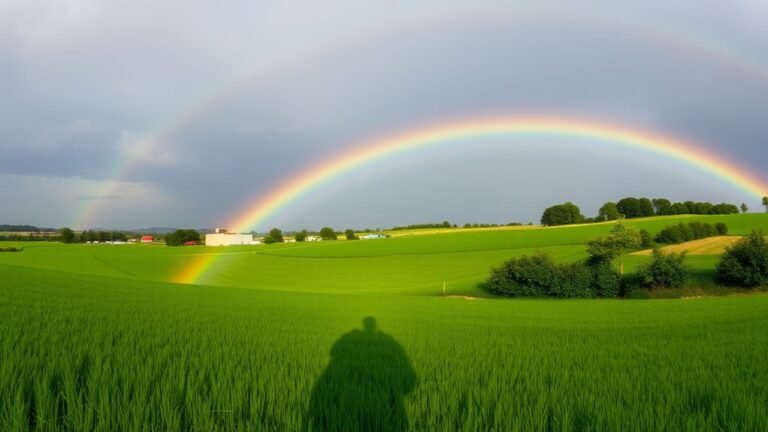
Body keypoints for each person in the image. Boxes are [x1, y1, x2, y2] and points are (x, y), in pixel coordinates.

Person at [306, 317, 417, 431]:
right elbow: (410, 380)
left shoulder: (340, 359)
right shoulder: (387, 345)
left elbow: (320, 387)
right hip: (383, 416)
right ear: (375, 326)